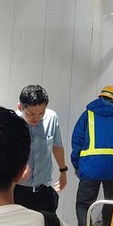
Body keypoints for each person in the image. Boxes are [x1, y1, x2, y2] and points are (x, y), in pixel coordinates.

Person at [71, 85, 113, 226]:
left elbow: (77, 140)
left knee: (84, 204)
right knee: (110, 201)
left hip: (90, 167)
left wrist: (76, 164)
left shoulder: (87, 115)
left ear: (100, 97)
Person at [15, 84, 68, 214]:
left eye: (41, 113)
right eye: (31, 114)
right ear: (20, 107)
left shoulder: (51, 117)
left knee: (48, 225)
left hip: (44, 191)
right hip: (18, 192)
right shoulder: (12, 122)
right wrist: (17, 168)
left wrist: (63, 171)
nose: (36, 118)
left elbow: (57, 146)